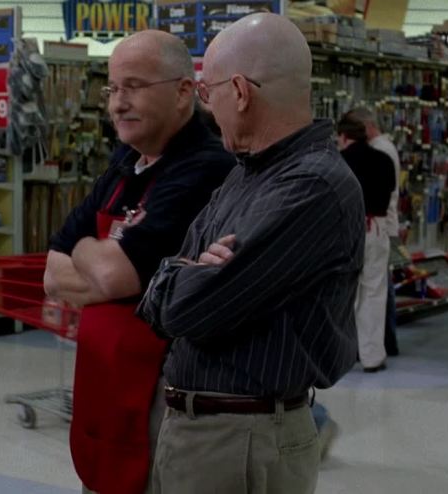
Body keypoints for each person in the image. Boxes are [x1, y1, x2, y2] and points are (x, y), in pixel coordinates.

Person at [137, 13, 365, 492]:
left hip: (240, 444)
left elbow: (186, 309)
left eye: (207, 92)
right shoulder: (247, 173)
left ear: (240, 91)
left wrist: (180, 279)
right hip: (209, 436)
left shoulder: (312, 187)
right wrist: (184, 271)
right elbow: (164, 286)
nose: (207, 108)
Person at [43, 30, 235, 494]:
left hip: (159, 397)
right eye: (112, 89)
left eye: (134, 87)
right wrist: (103, 258)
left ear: (184, 91)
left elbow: (113, 274)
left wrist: (84, 248)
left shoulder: (204, 167)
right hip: (103, 388)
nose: (117, 103)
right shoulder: (125, 163)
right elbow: (52, 274)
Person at [337, 114, 397, 372]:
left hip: (346, 229)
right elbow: (391, 190)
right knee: (374, 292)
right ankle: (372, 356)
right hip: (377, 228)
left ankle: (343, 354)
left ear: (343, 137)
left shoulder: (339, 161)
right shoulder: (384, 160)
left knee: (344, 293)